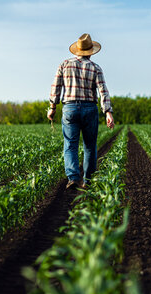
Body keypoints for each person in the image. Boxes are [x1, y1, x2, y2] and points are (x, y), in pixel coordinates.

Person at [47, 33, 115, 190]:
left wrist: (52, 107)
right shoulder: (95, 67)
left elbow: (55, 87)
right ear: (90, 51)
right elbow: (103, 91)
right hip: (89, 108)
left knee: (70, 144)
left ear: (76, 50)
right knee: (90, 146)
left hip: (69, 108)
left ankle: (73, 178)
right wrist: (108, 112)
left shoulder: (64, 64)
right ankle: (88, 180)